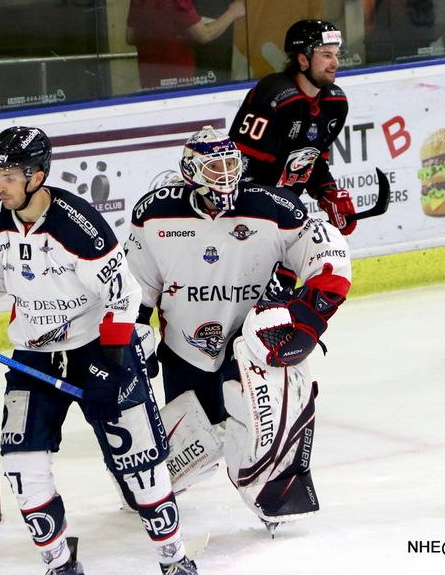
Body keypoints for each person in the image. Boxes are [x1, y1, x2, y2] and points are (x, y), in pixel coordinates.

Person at [0, 126, 200, 575]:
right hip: (35, 357)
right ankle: (60, 565)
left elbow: (123, 295)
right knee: (22, 465)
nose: (1, 185)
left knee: (140, 464)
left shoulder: (79, 226)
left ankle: (174, 559)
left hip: (98, 350)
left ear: (37, 176)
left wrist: (113, 364)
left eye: (10, 176)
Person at [124, 126, 352, 532]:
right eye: (215, 167)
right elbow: (136, 285)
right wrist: (132, 333)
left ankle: (278, 496)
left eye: (231, 164)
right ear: (191, 171)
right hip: (185, 347)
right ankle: (147, 488)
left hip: (253, 344)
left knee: (258, 429)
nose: (226, 175)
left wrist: (308, 320)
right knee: (193, 446)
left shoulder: (273, 207)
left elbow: (327, 255)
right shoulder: (154, 213)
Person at [228, 20, 358, 236]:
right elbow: (240, 169)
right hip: (245, 218)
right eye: (327, 55)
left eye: (337, 54)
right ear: (303, 59)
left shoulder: (334, 104)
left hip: (283, 213)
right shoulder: (277, 97)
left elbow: (312, 161)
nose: (335, 63)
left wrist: (327, 192)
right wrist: (282, 210)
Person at [126, 0, 245, 90]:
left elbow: (130, 37)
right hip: (177, 83)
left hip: (149, 83)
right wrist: (233, 13)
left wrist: (173, 28)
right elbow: (205, 35)